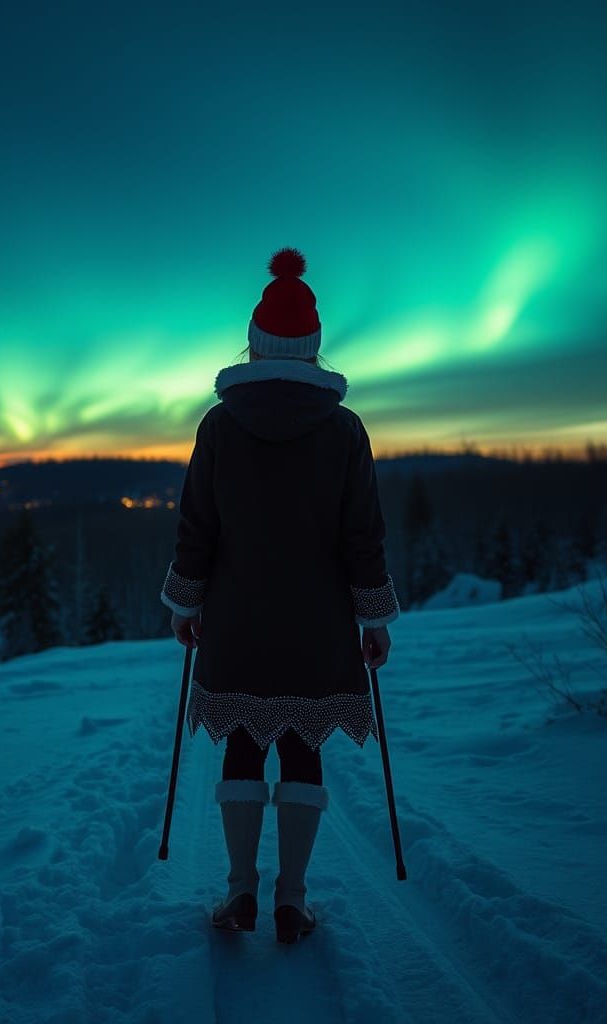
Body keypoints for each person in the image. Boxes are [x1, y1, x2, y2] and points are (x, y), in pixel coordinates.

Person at [159, 246, 400, 944]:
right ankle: (292, 899)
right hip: (319, 629)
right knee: (301, 748)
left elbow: (195, 528)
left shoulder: (219, 427)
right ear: (313, 349)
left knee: (241, 744)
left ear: (258, 346)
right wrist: (374, 618)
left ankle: (240, 892)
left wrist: (187, 605)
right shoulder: (346, 431)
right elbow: (364, 537)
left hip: (236, 624)